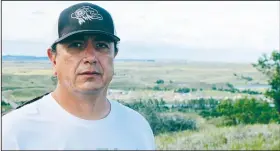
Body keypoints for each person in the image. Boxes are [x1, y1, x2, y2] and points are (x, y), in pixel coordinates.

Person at [2, 2, 156, 150]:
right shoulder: (14, 132)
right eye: (76, 45)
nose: (90, 57)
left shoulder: (137, 127)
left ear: (114, 55)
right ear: (53, 58)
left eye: (101, 45)